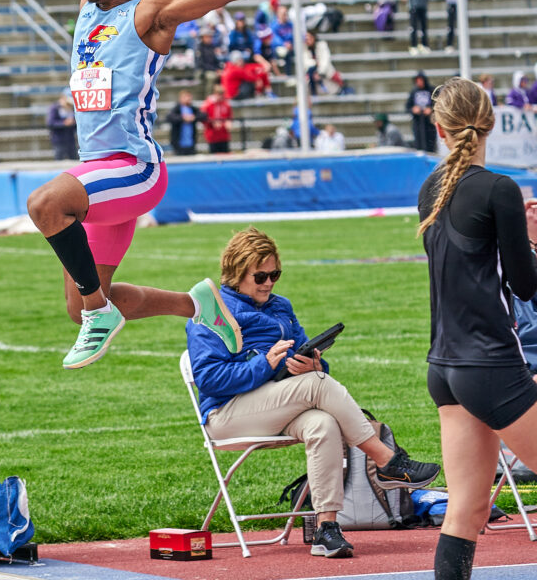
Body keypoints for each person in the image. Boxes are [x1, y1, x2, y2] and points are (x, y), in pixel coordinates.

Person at [26, 0, 349, 369]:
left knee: (45, 203)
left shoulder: (148, 12)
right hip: (102, 175)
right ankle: (199, 305)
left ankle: (104, 314)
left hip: (133, 168)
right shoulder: (88, 5)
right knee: (81, 305)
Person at [188, 228, 440, 560]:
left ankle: (326, 530)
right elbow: (208, 379)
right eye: (260, 276)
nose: (268, 283)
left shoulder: (281, 307)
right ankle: (386, 461)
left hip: (280, 406)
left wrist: (315, 364)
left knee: (323, 423)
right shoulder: (213, 311)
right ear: (236, 272)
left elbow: (320, 372)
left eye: (275, 274)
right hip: (226, 415)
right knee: (315, 386)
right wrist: (265, 365)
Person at [416, 76, 537, 580]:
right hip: (488, 364)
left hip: (444, 367)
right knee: (468, 507)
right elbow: (526, 286)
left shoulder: (430, 189)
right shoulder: (500, 188)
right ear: (490, 123)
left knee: (467, 510)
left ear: (440, 129)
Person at [166, 89, 207, 156]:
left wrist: (194, 117)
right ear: (181, 98)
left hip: (191, 143)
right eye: (186, 97)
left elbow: (204, 116)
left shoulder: (193, 109)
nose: (188, 99)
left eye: (189, 96)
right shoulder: (177, 108)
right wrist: (183, 118)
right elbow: (169, 117)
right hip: (178, 143)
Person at [407, 71, 438, 152]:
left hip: (430, 124)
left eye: (421, 80)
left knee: (431, 144)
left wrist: (431, 109)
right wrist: (413, 109)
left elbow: (438, 104)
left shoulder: (432, 90)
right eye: (417, 81)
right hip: (418, 124)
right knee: (419, 144)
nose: (419, 83)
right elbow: (408, 106)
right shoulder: (413, 92)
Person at [200, 85, 232, 154]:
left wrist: (228, 122)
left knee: (225, 156)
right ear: (215, 94)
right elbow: (202, 118)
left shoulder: (226, 104)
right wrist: (212, 123)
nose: (220, 97)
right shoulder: (208, 104)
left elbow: (229, 117)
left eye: (221, 94)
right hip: (212, 136)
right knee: (214, 157)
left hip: (224, 135)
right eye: (218, 94)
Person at [47, 90, 77, 160]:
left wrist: (73, 122)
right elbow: (50, 123)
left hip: (70, 140)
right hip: (59, 140)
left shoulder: (72, 108)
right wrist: (64, 123)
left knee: (74, 160)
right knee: (58, 160)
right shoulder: (54, 108)